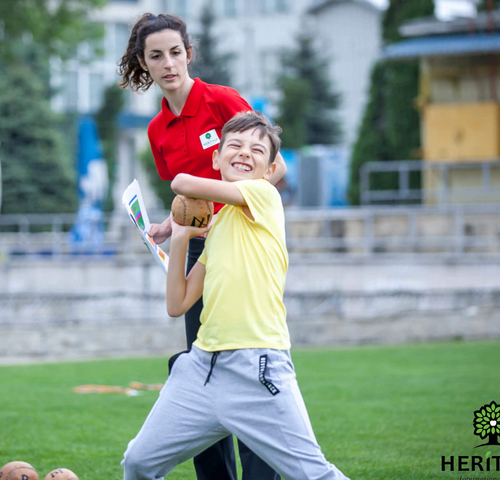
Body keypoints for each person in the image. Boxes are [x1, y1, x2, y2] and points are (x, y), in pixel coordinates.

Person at [121, 112, 350, 480]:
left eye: (256, 150)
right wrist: (179, 237)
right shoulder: (218, 227)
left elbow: (181, 180)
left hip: (258, 367)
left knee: (314, 475)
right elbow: (176, 304)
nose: (244, 153)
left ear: (270, 167)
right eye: (235, 145)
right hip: (201, 369)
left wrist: (186, 203)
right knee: (138, 463)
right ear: (217, 157)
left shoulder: (264, 195)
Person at [118, 13, 286, 480]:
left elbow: (277, 169)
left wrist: (225, 209)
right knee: (202, 368)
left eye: (175, 52)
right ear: (144, 63)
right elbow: (187, 203)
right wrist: (167, 227)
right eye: (156, 56)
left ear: (189, 54)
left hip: (242, 248)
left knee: (248, 369)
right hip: (197, 253)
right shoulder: (156, 132)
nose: (168, 63)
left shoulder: (223, 101)